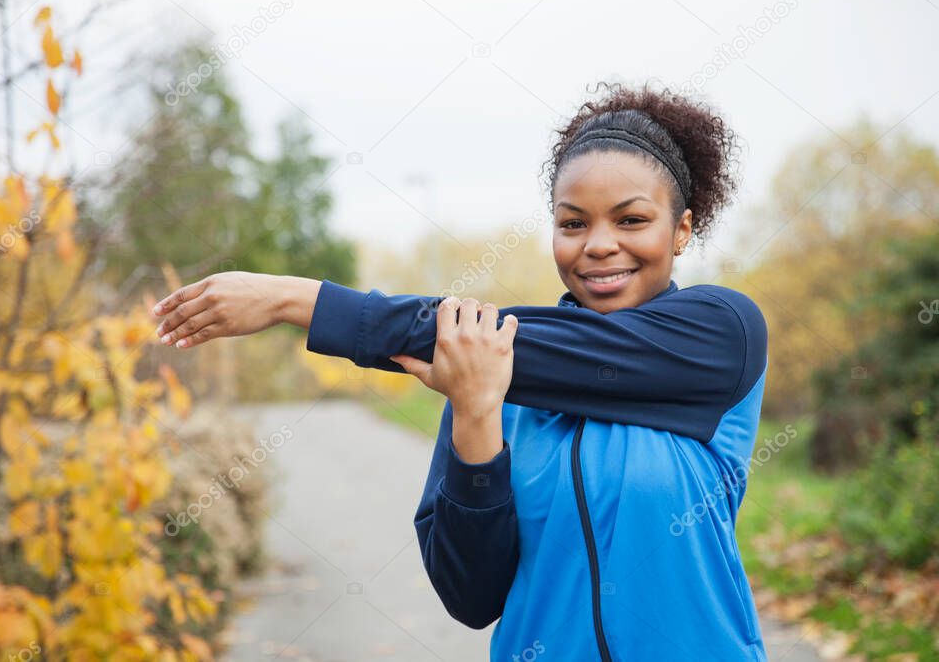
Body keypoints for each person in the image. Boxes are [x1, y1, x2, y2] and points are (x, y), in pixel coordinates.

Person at [151, 81, 768, 661]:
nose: (598, 244)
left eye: (631, 220)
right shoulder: (486, 376)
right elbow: (471, 598)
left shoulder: (721, 335)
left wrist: (296, 300)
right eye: (572, 222)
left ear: (682, 229)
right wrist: (475, 414)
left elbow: (522, 341)